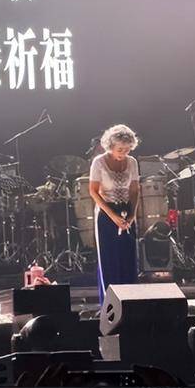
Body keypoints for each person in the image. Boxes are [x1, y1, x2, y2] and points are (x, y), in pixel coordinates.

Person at [89, 124, 140, 303]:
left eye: (127, 149)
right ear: (110, 146)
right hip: (106, 212)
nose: (123, 153)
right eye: (120, 149)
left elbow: (134, 190)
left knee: (128, 258)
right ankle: (110, 305)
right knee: (109, 259)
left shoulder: (132, 162)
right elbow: (93, 191)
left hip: (126, 210)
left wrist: (132, 215)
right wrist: (112, 216)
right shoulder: (99, 162)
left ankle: (130, 303)